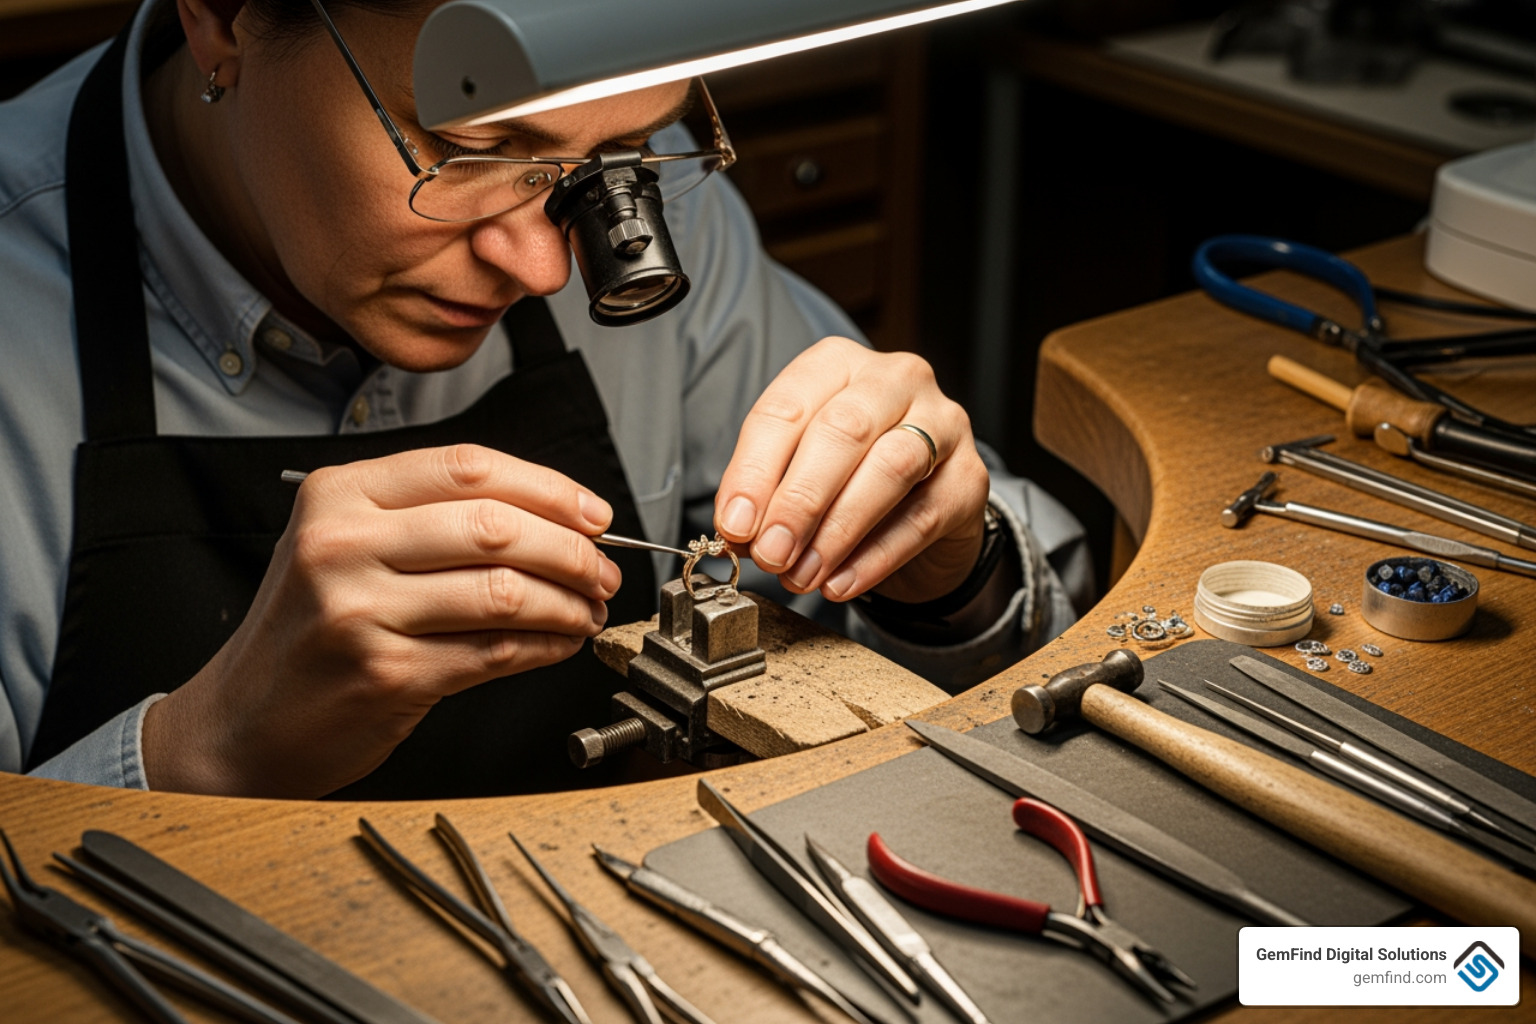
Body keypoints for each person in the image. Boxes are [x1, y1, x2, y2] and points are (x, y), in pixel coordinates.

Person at [0, 0, 1091, 799]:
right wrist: (204, 750)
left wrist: (953, 574)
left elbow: (1032, 643)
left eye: (616, 155)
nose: (542, 266)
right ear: (224, 22)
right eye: (470, 154)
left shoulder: (654, 218)